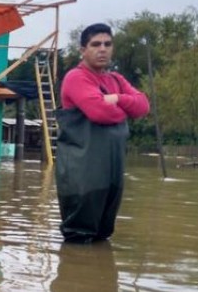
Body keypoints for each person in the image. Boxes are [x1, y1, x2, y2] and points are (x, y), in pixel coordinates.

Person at [55, 23, 150, 243]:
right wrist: (127, 108)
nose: (102, 49)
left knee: (103, 234)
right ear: (83, 50)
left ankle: (101, 276)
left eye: (107, 44)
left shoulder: (115, 80)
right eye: (96, 44)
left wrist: (118, 99)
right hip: (82, 174)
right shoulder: (76, 77)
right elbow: (100, 112)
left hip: (112, 173)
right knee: (79, 235)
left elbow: (143, 107)